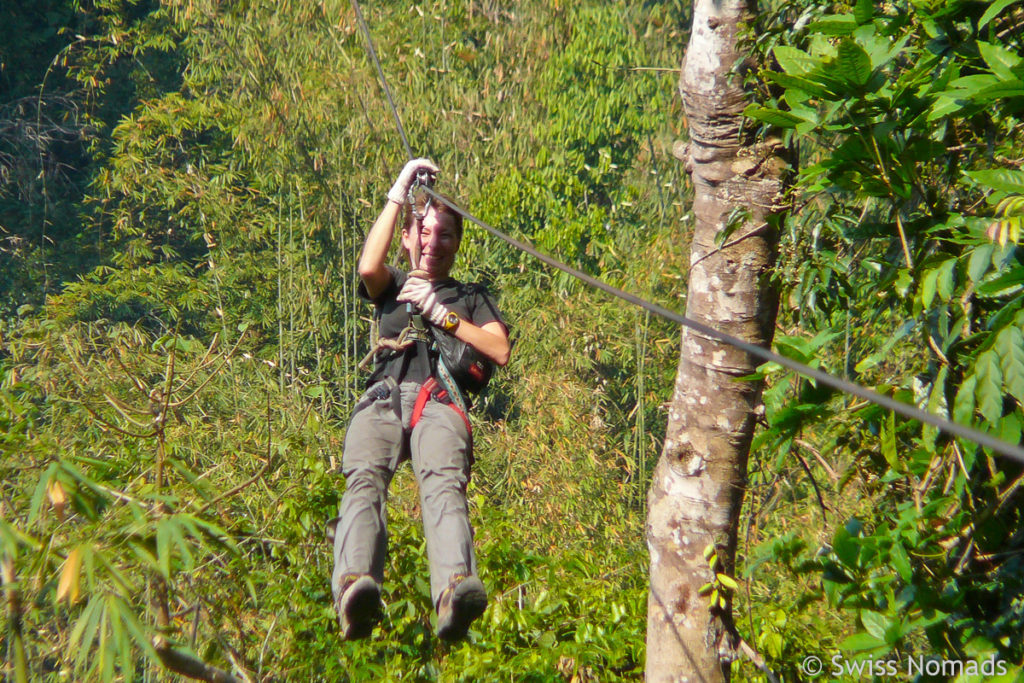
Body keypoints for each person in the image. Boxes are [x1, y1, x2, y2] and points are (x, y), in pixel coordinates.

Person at [328, 158, 511, 642]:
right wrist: (399, 189)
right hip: (384, 396)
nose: (433, 243)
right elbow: (368, 265)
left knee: (443, 486)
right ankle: (353, 587)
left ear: (457, 243)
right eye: (423, 233)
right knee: (364, 480)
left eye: (445, 235)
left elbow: (498, 349)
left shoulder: (469, 296)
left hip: (439, 401)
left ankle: (453, 592)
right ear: (408, 238)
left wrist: (441, 314)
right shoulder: (391, 286)